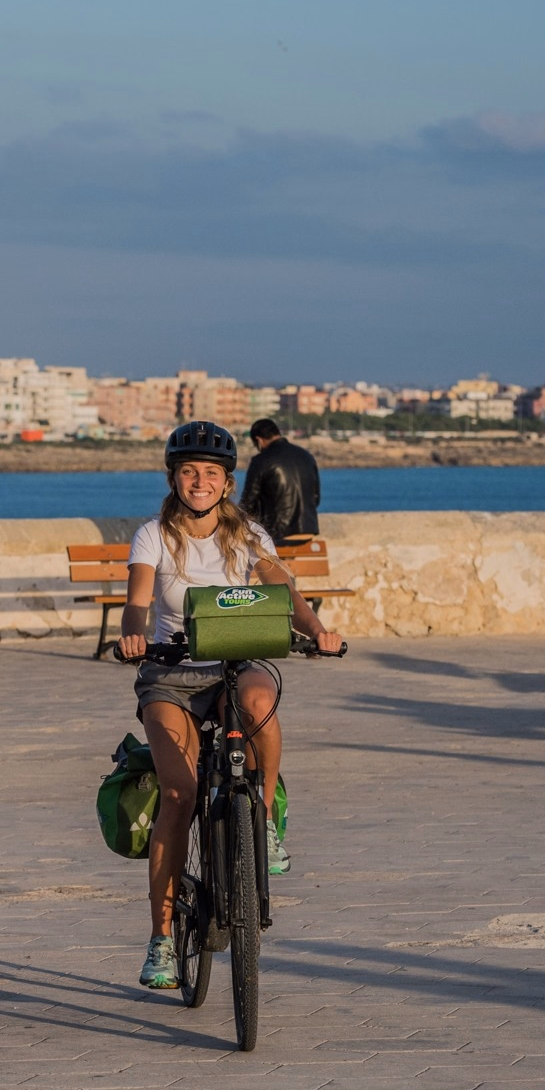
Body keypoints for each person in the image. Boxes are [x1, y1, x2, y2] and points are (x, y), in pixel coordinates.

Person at [118, 421, 342, 991]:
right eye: (188, 471)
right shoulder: (153, 535)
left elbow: (283, 589)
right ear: (173, 477)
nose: (199, 482)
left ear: (227, 481)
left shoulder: (248, 535)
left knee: (262, 700)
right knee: (179, 793)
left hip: (235, 665)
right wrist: (133, 634)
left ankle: (262, 822)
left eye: (210, 473)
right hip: (171, 675)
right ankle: (162, 940)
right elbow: (138, 599)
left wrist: (317, 629)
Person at [238, 417, 320, 543]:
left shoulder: (261, 460)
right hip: (308, 531)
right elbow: (316, 497)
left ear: (259, 440)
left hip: (278, 534)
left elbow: (248, 503)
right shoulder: (307, 456)